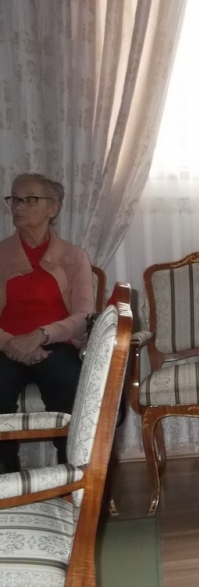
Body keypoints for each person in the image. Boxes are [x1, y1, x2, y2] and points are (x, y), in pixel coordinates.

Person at [0, 173, 94, 473]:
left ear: (53, 208)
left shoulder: (73, 256)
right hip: (5, 346)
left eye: (30, 199)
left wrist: (42, 334)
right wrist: (10, 343)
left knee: (71, 390)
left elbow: (84, 316)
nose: (19, 206)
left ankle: (73, 478)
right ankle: (7, 481)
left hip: (56, 345)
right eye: (14, 199)